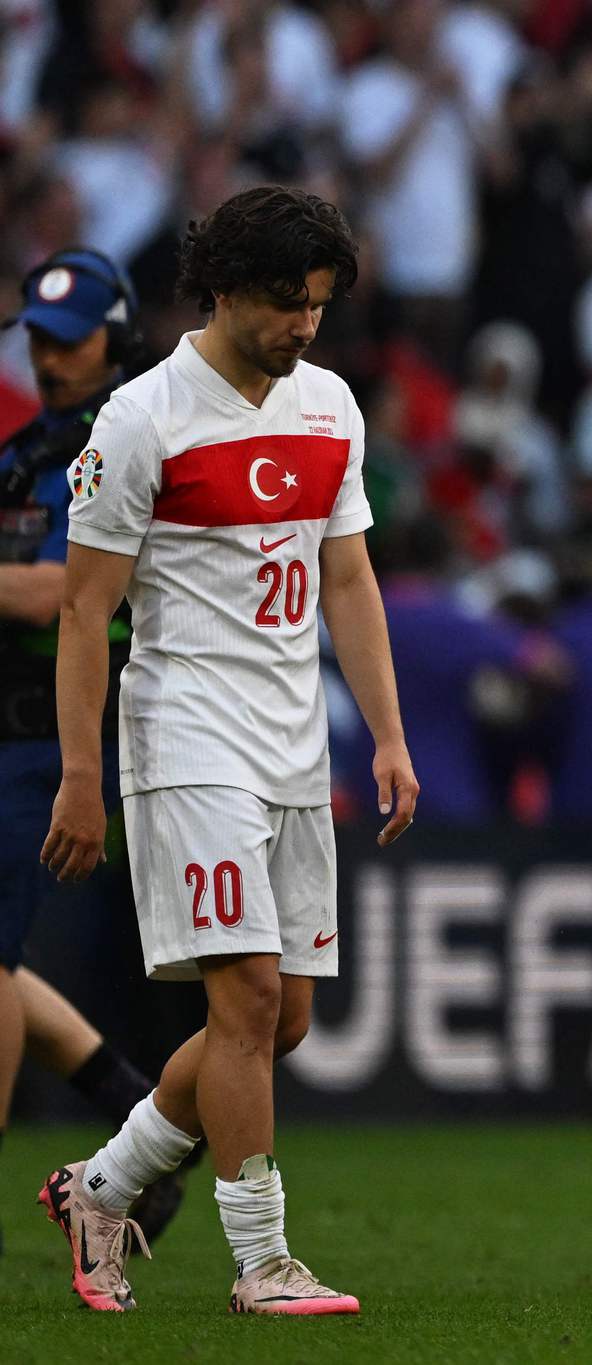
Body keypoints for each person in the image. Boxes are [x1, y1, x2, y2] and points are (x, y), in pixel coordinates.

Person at [36, 186, 420, 1315]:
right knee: (247, 993)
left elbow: (347, 577)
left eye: (316, 305)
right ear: (219, 288)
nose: (304, 326)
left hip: (292, 740)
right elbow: (82, 610)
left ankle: (101, 1183)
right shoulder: (143, 419)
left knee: (281, 1018)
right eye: (283, 304)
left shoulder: (329, 405)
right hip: (185, 728)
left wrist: (387, 735)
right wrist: (79, 773)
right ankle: (263, 1262)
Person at [1, 247, 195, 1253]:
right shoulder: (27, 452)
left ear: (115, 339)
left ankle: (132, 1118)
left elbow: (57, 593)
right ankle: (129, 1102)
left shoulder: (128, 440)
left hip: (60, 728)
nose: (49, 357)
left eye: (68, 341)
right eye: (37, 338)